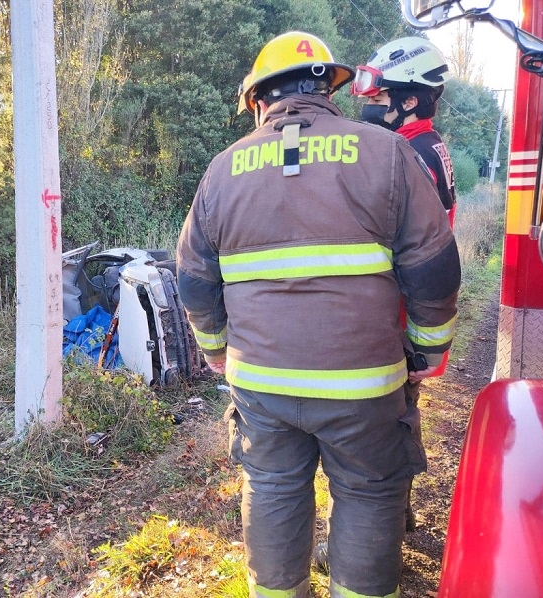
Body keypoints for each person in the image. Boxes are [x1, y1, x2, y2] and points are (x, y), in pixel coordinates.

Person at [176, 30, 460, 598]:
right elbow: (433, 267)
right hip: (364, 383)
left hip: (262, 383)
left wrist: (214, 350)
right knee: (368, 493)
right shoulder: (387, 154)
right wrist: (427, 351)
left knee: (275, 487)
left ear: (259, 100)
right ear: (330, 90)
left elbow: (193, 278)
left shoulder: (221, 170)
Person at [353, 36, 457, 533]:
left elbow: (412, 250)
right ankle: (400, 511)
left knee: (384, 432)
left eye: (378, 99)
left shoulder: (409, 155)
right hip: (407, 315)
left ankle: (386, 525)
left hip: (397, 319)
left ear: (410, 99)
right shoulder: (426, 145)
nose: (370, 109)